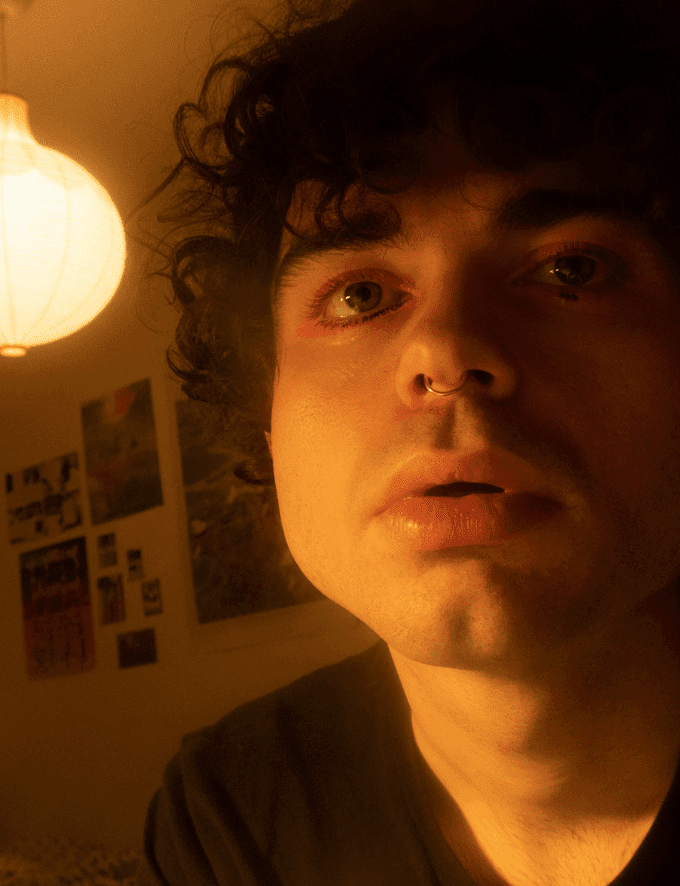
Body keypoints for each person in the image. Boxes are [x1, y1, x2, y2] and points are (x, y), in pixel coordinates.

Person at [131, 0, 680, 882]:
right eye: (359, 296)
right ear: (268, 421)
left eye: (570, 268)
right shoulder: (227, 809)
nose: (447, 354)